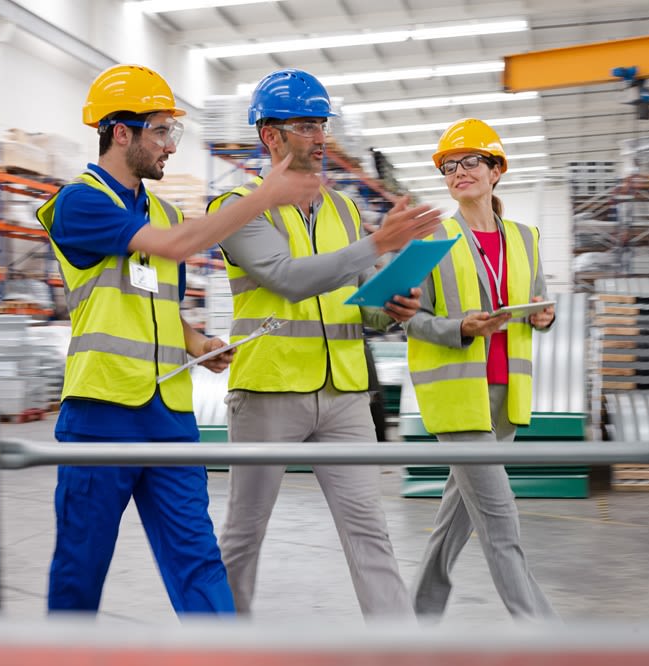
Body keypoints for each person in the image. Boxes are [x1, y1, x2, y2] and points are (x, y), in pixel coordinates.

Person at [36, 63, 314, 614]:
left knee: (198, 559)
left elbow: (155, 302)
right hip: (102, 414)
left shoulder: (160, 208)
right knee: (80, 567)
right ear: (122, 132)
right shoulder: (80, 201)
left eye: (172, 133)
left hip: (168, 411)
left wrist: (196, 342)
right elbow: (175, 245)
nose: (170, 146)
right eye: (161, 131)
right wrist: (264, 196)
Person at [209, 68, 441, 619]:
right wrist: (378, 244)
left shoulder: (343, 209)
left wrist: (392, 309)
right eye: (307, 125)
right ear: (271, 136)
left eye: (321, 124)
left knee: (370, 534)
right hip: (270, 390)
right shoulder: (238, 206)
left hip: (344, 393)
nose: (319, 136)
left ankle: (400, 653)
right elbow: (287, 278)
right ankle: (222, 644)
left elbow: (360, 300)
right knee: (244, 536)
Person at [404, 118, 557, 620]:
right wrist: (462, 328)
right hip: (457, 397)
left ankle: (418, 620)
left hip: (505, 395)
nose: (458, 172)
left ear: (496, 171)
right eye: (449, 166)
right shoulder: (432, 241)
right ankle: (545, 635)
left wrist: (543, 316)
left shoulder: (526, 238)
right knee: (500, 521)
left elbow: (536, 307)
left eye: (470, 161)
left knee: (457, 519)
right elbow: (412, 322)